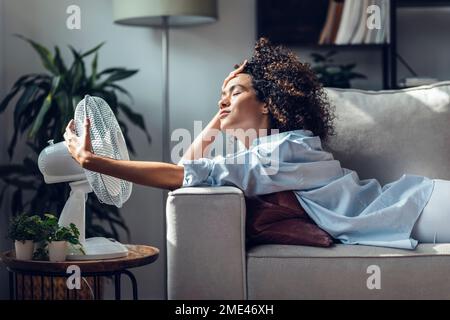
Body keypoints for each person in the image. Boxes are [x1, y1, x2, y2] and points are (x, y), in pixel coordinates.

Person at [64, 38, 447, 250]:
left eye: (235, 92)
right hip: (411, 210)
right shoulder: (263, 155)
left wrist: (93, 161)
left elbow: (182, 175)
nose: (223, 101)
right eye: (222, 95)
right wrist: (223, 109)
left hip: (419, 206)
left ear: (268, 102)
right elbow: (193, 170)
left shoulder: (286, 149)